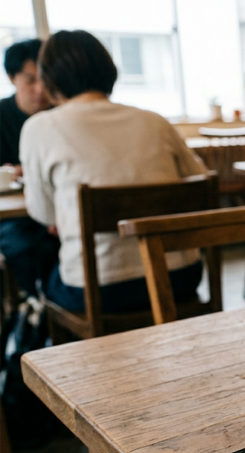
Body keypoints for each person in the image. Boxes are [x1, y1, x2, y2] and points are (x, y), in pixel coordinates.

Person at [21, 30, 206, 314]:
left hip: (99, 288)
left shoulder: (40, 128)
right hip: (178, 276)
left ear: (50, 80)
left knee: (42, 273)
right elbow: (201, 185)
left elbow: (43, 213)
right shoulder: (155, 121)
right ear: (108, 69)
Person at [0, 38, 58, 297]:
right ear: (12, 78)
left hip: (60, 207)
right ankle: (37, 303)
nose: (40, 89)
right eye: (30, 80)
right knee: (21, 244)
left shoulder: (62, 114)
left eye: (45, 79)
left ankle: (52, 304)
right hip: (16, 215)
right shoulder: (2, 115)